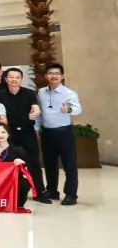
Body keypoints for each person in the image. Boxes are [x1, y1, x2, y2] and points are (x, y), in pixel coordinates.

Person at [0, 67, 48, 203]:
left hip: (27, 132)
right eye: (11, 77)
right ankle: (9, 193)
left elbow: (36, 108)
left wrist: (36, 113)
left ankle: (40, 192)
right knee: (9, 163)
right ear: (6, 79)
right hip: (9, 134)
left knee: (34, 163)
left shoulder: (29, 93)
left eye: (17, 77)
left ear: (21, 79)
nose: (14, 79)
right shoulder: (0, 95)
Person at [37, 62, 82, 205]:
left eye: (57, 73)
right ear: (46, 76)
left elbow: (78, 109)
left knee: (69, 165)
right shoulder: (41, 92)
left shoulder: (69, 93)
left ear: (62, 76)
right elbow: (39, 112)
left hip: (64, 133)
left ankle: (71, 194)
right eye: (50, 73)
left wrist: (68, 109)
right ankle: (52, 191)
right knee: (49, 164)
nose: (53, 76)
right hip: (47, 133)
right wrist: (36, 128)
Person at [0, 122, 32, 208]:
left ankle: (18, 204)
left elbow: (29, 168)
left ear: (8, 134)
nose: (0, 135)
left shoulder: (17, 150)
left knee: (25, 183)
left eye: (3, 132)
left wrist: (22, 163)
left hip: (12, 181)